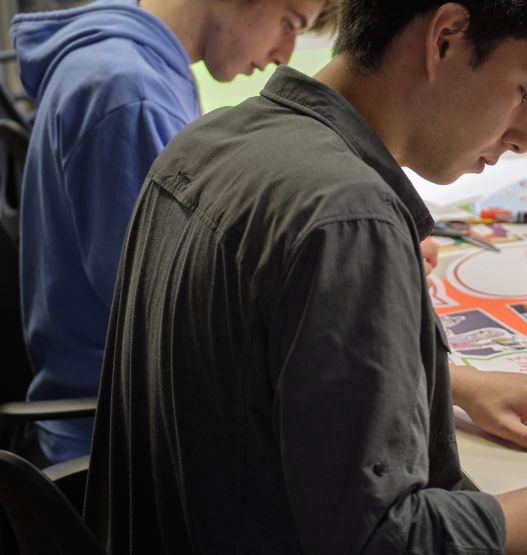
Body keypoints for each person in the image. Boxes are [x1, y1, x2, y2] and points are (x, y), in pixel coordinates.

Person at [84, 1, 527, 553]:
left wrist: (443, 384)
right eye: (526, 89)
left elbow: (251, 382)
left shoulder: (210, 139)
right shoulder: (347, 217)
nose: (522, 136)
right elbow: (387, 539)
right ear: (446, 36)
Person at [11, 0, 337, 464]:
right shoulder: (131, 94)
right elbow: (188, 319)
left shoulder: (131, 62)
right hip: (118, 446)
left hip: (108, 410)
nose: (283, 54)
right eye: (287, 23)